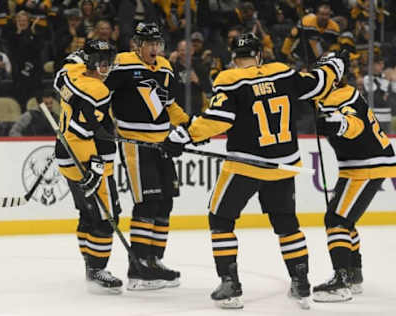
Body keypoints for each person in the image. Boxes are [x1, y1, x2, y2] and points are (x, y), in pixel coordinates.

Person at [161, 33, 348, 309]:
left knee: (220, 219)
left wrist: (182, 136)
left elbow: (218, 119)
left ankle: (230, 284)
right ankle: (301, 281)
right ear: (259, 55)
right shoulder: (283, 72)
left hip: (246, 164)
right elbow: (319, 84)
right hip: (283, 164)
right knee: (287, 226)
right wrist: (335, 65)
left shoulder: (230, 79)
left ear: (235, 58)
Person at [104, 22, 189, 291]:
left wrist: (189, 127)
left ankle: (154, 261)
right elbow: (100, 96)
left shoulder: (165, 66)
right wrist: (105, 127)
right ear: (136, 45)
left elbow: (170, 105)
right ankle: (137, 268)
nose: (154, 48)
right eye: (149, 43)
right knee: (147, 202)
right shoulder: (123, 63)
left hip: (162, 143)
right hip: (136, 143)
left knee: (165, 203)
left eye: (158, 43)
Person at [312, 75, 396, 302]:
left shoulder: (341, 96)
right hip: (356, 165)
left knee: (336, 219)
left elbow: (354, 124)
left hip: (366, 165)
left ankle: (341, 281)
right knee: (344, 220)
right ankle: (353, 273)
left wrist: (334, 125)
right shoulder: (328, 94)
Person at [53, 40, 123, 294]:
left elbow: (64, 70)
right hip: (84, 156)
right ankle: (97, 268)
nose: (108, 67)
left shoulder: (69, 73)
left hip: (65, 154)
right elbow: (81, 130)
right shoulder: (97, 90)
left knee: (87, 211)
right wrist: (95, 165)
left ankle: (89, 263)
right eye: (104, 63)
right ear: (92, 64)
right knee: (107, 215)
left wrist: (102, 129)